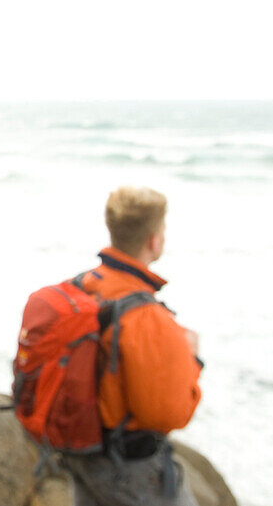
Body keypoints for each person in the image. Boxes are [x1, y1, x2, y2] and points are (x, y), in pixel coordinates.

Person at [65, 186, 203, 506]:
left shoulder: (81, 286)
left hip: (78, 450)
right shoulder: (145, 316)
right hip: (126, 465)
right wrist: (192, 358)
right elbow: (168, 416)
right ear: (154, 240)